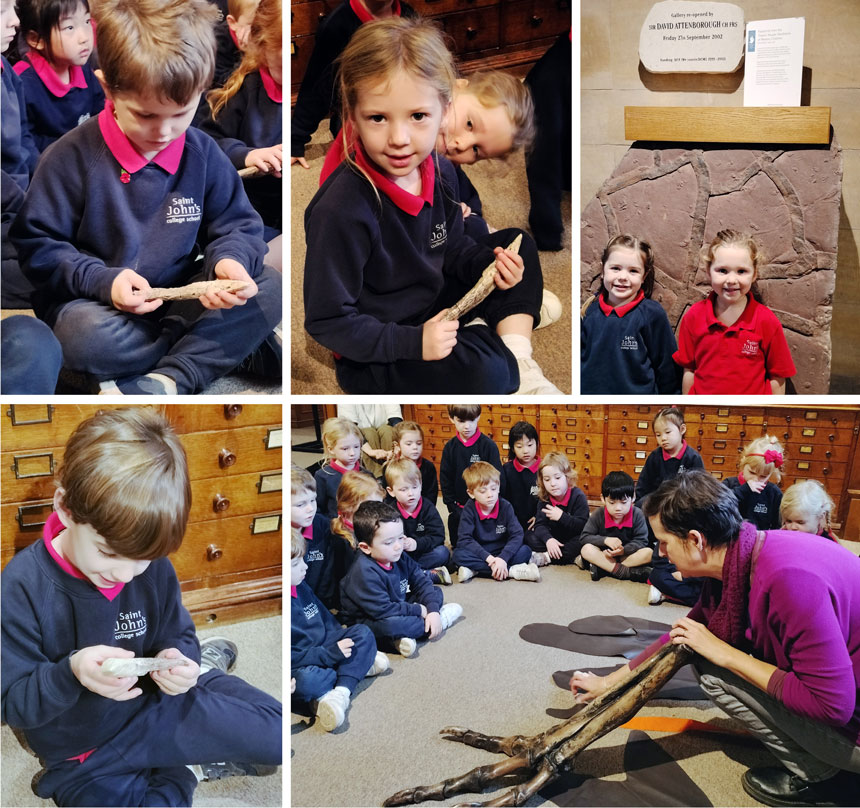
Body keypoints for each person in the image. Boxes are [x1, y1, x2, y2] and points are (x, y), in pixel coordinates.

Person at [0, 407, 281, 806]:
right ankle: (189, 767)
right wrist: (71, 672)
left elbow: (177, 630)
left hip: (156, 707)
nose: (127, 575)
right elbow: (11, 703)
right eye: (107, 553)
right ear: (64, 507)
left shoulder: (150, 567)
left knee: (275, 736)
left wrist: (180, 656)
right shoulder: (21, 586)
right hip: (84, 753)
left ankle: (202, 672)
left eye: (143, 560)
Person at [10, 0, 282, 395]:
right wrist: (105, 281)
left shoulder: (203, 152)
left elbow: (236, 224)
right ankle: (219, 349)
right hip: (96, 306)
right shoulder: (68, 158)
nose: (165, 132)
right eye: (146, 115)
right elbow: (37, 249)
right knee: (80, 338)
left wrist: (229, 261)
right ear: (109, 89)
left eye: (181, 113)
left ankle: (171, 378)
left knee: (267, 286)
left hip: (175, 298)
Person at [571, 471, 860, 808]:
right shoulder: (746, 553)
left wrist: (727, 654)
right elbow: (680, 633)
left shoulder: (788, 580)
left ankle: (827, 780)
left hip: (849, 721)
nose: (661, 552)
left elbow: (832, 705)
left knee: (712, 668)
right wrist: (609, 683)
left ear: (696, 540)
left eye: (664, 541)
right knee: (701, 649)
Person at [303, 17, 558, 395]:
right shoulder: (340, 210)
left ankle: (518, 356)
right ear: (352, 113)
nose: (400, 139)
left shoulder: (441, 169)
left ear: (444, 107)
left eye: (418, 116)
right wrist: (413, 343)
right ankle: (505, 339)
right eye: (378, 118)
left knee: (521, 245)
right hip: (383, 347)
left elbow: (452, 246)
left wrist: (488, 264)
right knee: (486, 371)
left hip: (435, 300)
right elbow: (327, 321)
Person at [201, 0, 282, 268]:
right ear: (261, 46)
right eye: (279, 65)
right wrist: (247, 155)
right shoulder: (245, 90)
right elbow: (207, 142)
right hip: (250, 212)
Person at [290, 0, 416, 169]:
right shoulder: (337, 25)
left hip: (401, 105)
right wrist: (295, 140)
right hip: (357, 112)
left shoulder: (409, 16)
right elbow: (317, 85)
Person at [675, 229, 796, 395]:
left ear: (754, 274)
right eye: (722, 271)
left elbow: (778, 377)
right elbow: (689, 370)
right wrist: (688, 410)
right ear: (708, 271)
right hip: (705, 414)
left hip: (750, 417)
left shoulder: (766, 321)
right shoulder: (694, 316)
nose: (731, 280)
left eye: (741, 271)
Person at [291, 528, 389, 733]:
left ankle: (340, 692)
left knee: (362, 633)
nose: (305, 567)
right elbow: (292, 658)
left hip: (324, 645)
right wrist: (329, 655)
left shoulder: (300, 585)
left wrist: (339, 639)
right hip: (304, 662)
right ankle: (351, 672)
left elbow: (326, 619)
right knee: (307, 681)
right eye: (295, 564)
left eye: (302, 560)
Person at [339, 501, 462, 657]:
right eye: (389, 542)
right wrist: (420, 610)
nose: (398, 546)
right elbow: (382, 610)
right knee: (390, 626)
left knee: (435, 592)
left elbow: (421, 580)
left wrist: (431, 609)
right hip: (373, 617)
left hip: (398, 604)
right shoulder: (364, 572)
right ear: (366, 547)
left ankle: (407, 635)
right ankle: (438, 621)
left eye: (400, 538)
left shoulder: (399, 554)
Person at [581, 234, 679, 394]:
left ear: (644, 276)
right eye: (615, 268)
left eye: (633, 271)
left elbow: (667, 366)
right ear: (602, 270)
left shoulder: (653, 314)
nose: (623, 277)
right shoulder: (589, 310)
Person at [635, 406, 706, 606]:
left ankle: (666, 586)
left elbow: (698, 491)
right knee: (642, 506)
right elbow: (643, 486)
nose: (663, 438)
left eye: (668, 432)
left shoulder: (692, 457)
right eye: (658, 434)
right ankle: (649, 545)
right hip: (657, 505)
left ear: (682, 430)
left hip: (680, 509)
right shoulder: (655, 457)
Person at [12, 0, 104, 153]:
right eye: (69, 27)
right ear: (36, 39)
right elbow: (24, 145)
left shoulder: (85, 69)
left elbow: (100, 112)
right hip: (50, 168)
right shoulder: (22, 83)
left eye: (87, 21)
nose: (85, 38)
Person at [1, 0, 40, 308]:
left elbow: (24, 141)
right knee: (47, 271)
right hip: (8, 209)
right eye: (0, 12)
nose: (15, 21)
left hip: (19, 204)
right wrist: (25, 203)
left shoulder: (7, 72)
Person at [452, 461, 540, 583]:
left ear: (498, 487)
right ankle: (511, 571)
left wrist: (503, 558)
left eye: (493, 489)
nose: (490, 495)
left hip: (501, 548)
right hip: (481, 550)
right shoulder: (469, 509)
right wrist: (490, 559)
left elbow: (517, 534)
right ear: (471, 493)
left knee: (525, 551)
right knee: (457, 555)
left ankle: (475, 570)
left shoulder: (506, 506)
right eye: (483, 491)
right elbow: (465, 539)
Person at [524, 32, 570, 252]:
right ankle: (546, 227)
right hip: (570, 50)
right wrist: (548, 232)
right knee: (545, 134)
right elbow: (543, 157)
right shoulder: (546, 79)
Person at [439, 405, 502, 547]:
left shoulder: (489, 446)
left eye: (472, 420)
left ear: (479, 417)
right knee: (459, 544)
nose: (467, 426)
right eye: (461, 421)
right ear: (451, 419)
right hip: (459, 507)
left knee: (487, 542)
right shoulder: (450, 448)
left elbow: (498, 478)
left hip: (485, 506)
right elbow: (445, 478)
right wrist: (451, 505)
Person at [384, 458, 450, 584]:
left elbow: (438, 536)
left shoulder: (428, 507)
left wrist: (416, 544)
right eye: (403, 490)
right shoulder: (390, 511)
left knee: (443, 553)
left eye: (414, 487)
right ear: (391, 491)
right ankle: (425, 574)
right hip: (402, 556)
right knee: (387, 560)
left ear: (421, 485)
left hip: (423, 553)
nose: (411, 494)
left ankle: (411, 574)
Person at [579, 471, 651, 581]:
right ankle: (626, 572)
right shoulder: (598, 514)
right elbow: (584, 537)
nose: (618, 508)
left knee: (649, 553)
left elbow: (642, 541)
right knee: (586, 549)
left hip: (626, 556)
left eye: (623, 502)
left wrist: (623, 550)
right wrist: (605, 540)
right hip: (605, 556)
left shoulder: (637, 514)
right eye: (612, 502)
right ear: (603, 499)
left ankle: (604, 570)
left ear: (633, 498)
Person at [526, 451, 589, 566]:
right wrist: (548, 540)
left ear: (567, 477)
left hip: (572, 537)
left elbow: (583, 526)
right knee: (529, 536)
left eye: (557, 478)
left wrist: (561, 517)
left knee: (585, 540)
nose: (553, 484)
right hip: (554, 538)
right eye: (547, 479)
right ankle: (570, 557)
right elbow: (540, 525)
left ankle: (548, 557)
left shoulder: (578, 496)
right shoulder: (544, 498)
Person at [291, 465, 340, 611]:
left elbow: (329, 571)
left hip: (322, 604)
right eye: (301, 504)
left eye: (313, 500)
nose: (311, 508)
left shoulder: (323, 525)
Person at [724, 435, 784, 531]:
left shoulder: (774, 493)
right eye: (752, 472)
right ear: (743, 464)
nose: (756, 479)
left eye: (763, 476)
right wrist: (744, 490)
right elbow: (717, 506)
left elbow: (778, 525)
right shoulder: (729, 484)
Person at [330, 470, 385, 573]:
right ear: (348, 506)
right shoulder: (341, 541)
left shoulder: (375, 525)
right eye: (370, 507)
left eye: (379, 506)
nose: (378, 512)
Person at [314, 416, 367, 518]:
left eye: (356, 447)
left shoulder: (366, 475)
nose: (352, 453)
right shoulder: (322, 476)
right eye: (345, 448)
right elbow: (317, 510)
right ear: (331, 449)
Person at [337, 403, 402, 477]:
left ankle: (394, 474)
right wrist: (370, 451)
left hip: (384, 430)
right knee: (369, 433)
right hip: (362, 435)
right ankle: (377, 477)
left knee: (387, 430)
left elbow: (396, 420)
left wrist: (397, 445)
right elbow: (350, 429)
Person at [500, 420, 541, 533]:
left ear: (537, 444)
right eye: (519, 446)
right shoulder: (507, 470)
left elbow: (551, 498)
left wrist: (539, 517)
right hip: (512, 521)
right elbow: (502, 498)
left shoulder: (544, 469)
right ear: (512, 448)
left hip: (537, 521)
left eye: (529, 445)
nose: (525, 451)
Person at [391, 419, 437, 502]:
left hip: (423, 510)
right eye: (409, 444)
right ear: (397, 445)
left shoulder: (428, 467)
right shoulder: (390, 468)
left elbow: (431, 496)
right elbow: (388, 499)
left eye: (419, 443)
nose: (415, 447)